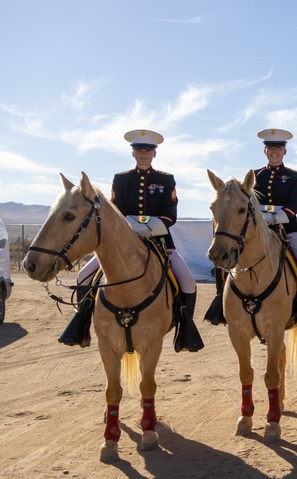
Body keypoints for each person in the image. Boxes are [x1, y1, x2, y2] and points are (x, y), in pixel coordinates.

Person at [60, 129, 204, 352]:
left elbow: (170, 213)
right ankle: (82, 323)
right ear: (133, 154)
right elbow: (116, 212)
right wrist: (130, 228)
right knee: (83, 276)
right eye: (139, 150)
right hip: (122, 242)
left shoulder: (165, 180)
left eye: (148, 150)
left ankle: (185, 330)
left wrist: (149, 228)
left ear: (154, 154)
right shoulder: (122, 179)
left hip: (159, 242)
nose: (144, 154)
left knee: (188, 282)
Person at [206, 128, 297, 330]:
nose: (274, 151)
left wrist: (274, 217)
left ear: (284, 151)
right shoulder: (254, 176)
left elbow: (295, 205)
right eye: (270, 148)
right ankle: (220, 300)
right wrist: (260, 218)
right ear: (265, 151)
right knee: (228, 254)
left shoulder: (294, 176)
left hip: (287, 228)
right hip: (256, 229)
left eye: (278, 148)